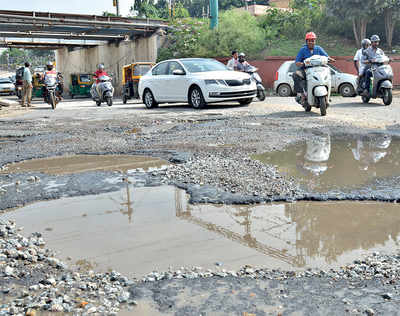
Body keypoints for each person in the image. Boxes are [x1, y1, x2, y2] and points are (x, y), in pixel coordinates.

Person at [293, 32, 334, 104]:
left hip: (319, 69)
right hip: (306, 70)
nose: (311, 42)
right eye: (309, 40)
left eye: (313, 40)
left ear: (315, 41)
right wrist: (302, 64)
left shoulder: (319, 49)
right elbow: (297, 62)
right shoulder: (302, 50)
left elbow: (326, 57)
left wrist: (330, 59)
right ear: (306, 41)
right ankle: (302, 94)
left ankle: (328, 94)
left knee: (328, 75)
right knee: (296, 74)